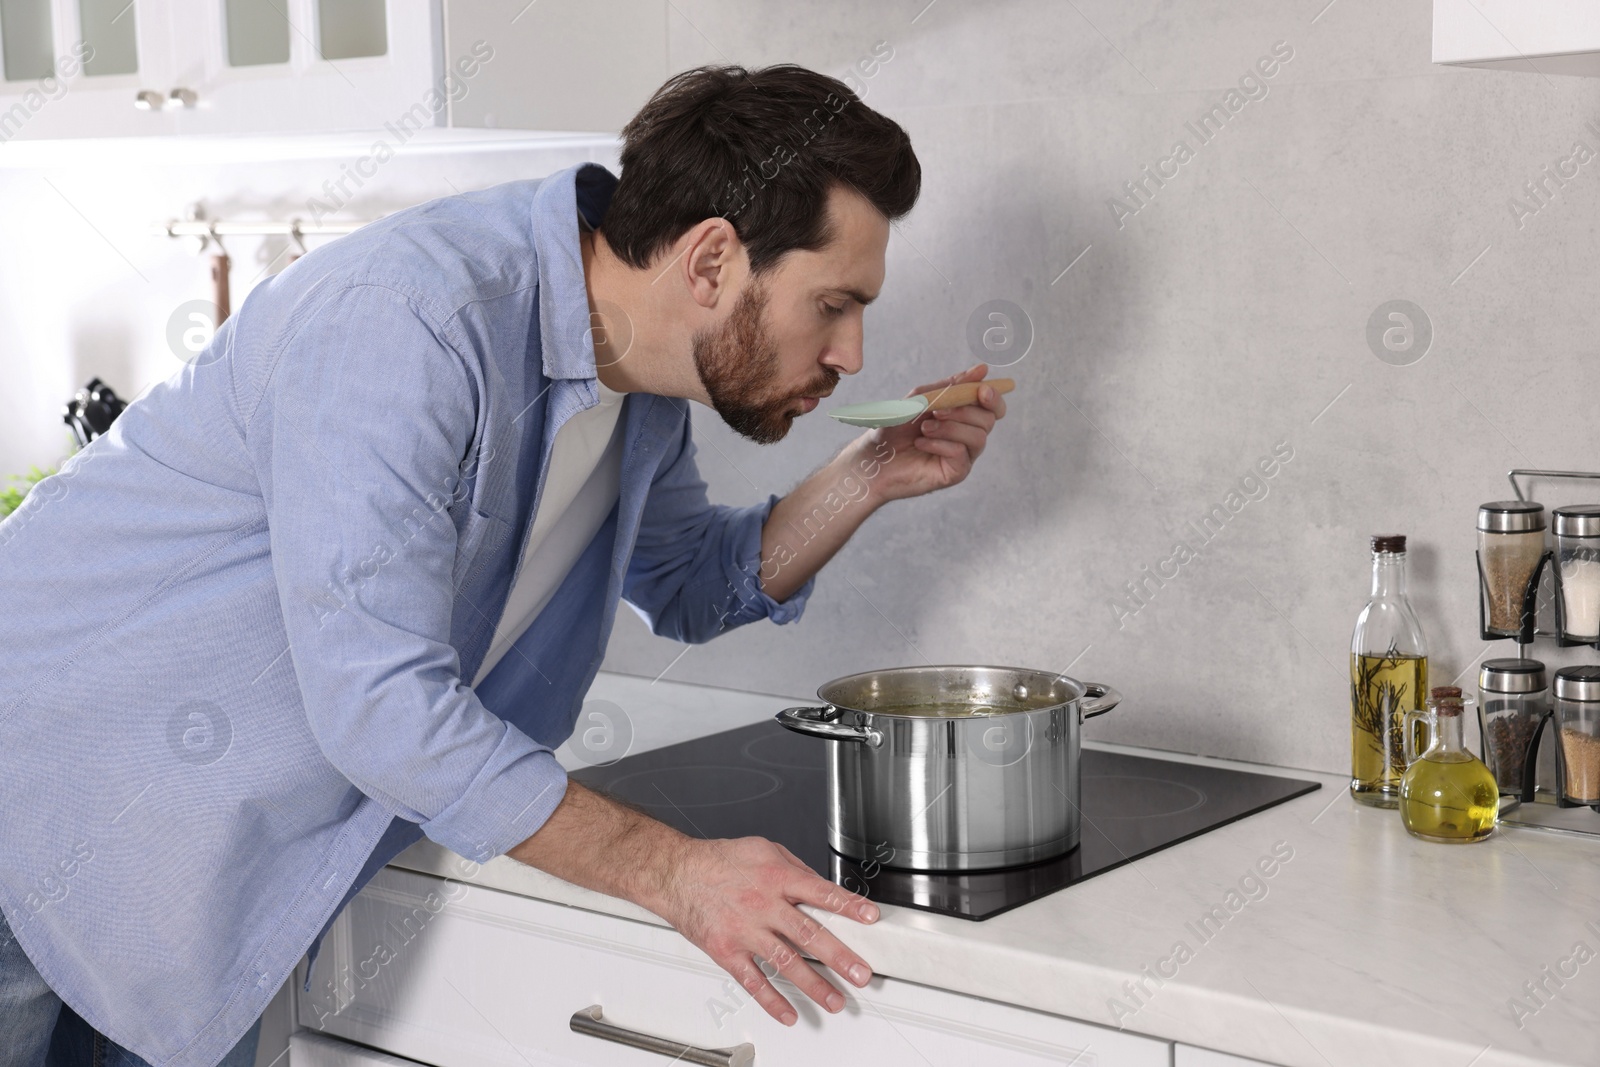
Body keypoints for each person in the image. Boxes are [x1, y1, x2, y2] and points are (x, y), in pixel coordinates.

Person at [0, 63, 1007, 1066]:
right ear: (709, 263)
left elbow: (694, 583)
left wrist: (867, 473)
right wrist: (674, 871)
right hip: (39, 808)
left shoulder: (642, 386)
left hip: (190, 874)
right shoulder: (410, 322)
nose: (852, 354)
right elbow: (381, 709)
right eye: (832, 303)